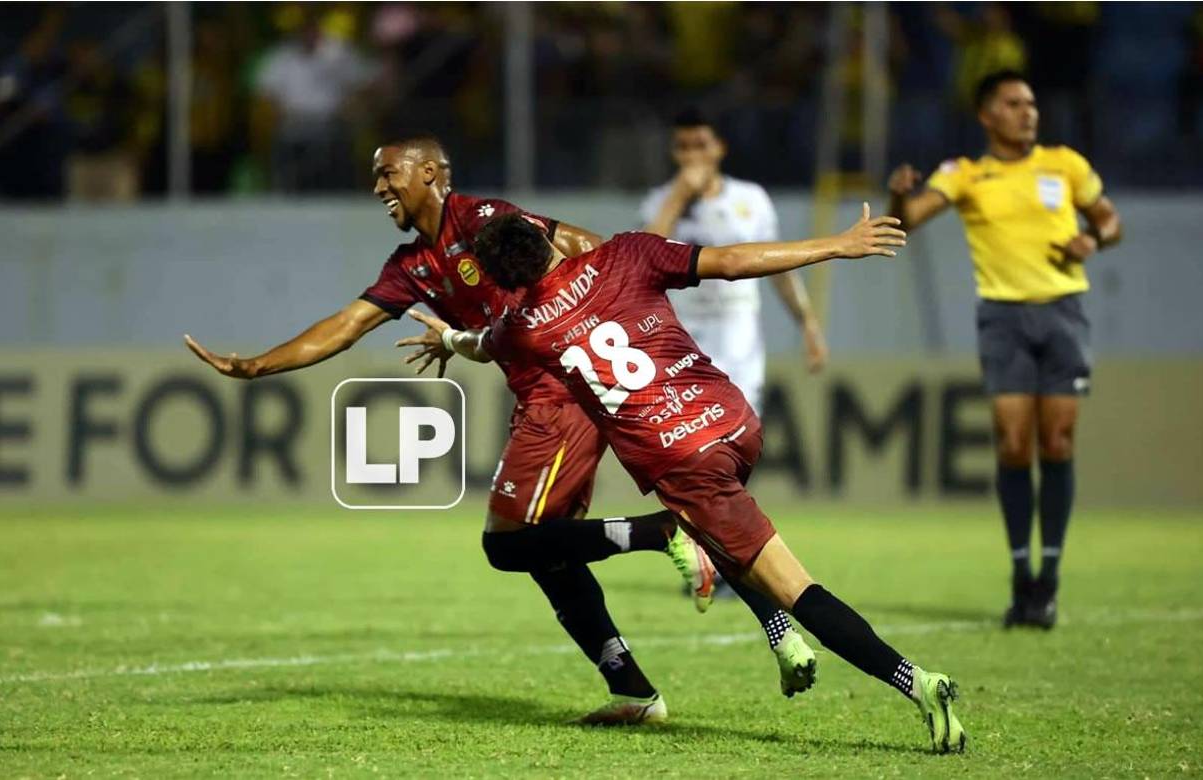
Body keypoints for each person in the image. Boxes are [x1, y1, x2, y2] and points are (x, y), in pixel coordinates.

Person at [184, 135, 817, 724]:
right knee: (551, 550)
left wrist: (617, 311)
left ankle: (663, 534)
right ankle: (650, 680)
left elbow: (586, 247)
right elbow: (347, 325)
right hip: (540, 394)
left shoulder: (483, 220)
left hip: (560, 394)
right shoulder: (413, 265)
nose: (379, 186)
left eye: (388, 173)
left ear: (428, 173)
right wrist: (260, 364)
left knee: (509, 541)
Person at [403, 207, 968, 753]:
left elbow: (481, 345)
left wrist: (448, 339)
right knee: (724, 534)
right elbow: (731, 261)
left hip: (684, 462)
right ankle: (778, 634)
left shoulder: (524, 327)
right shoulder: (627, 251)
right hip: (734, 423)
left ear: (506, 280)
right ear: (544, 237)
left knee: (795, 588)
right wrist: (836, 245)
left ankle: (915, 680)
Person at [886, 70, 1123, 629]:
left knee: (1058, 440)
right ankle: (1021, 573)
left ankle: (1050, 579)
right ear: (987, 115)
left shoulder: (1065, 164)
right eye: (1015, 103)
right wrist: (898, 189)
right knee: (1015, 444)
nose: (1029, 112)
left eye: (1032, 102)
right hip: (1003, 318)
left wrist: (1095, 238)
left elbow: (1110, 220)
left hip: (1064, 310)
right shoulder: (967, 174)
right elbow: (908, 219)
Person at [642, 108, 827, 600]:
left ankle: (723, 557)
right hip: (681, 346)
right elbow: (642, 255)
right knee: (691, 461)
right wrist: (681, 194)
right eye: (683, 148)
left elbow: (778, 265)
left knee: (730, 457)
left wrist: (806, 321)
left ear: (719, 148)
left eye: (701, 145)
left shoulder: (751, 200)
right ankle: (719, 558)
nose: (693, 157)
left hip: (740, 340)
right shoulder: (662, 201)